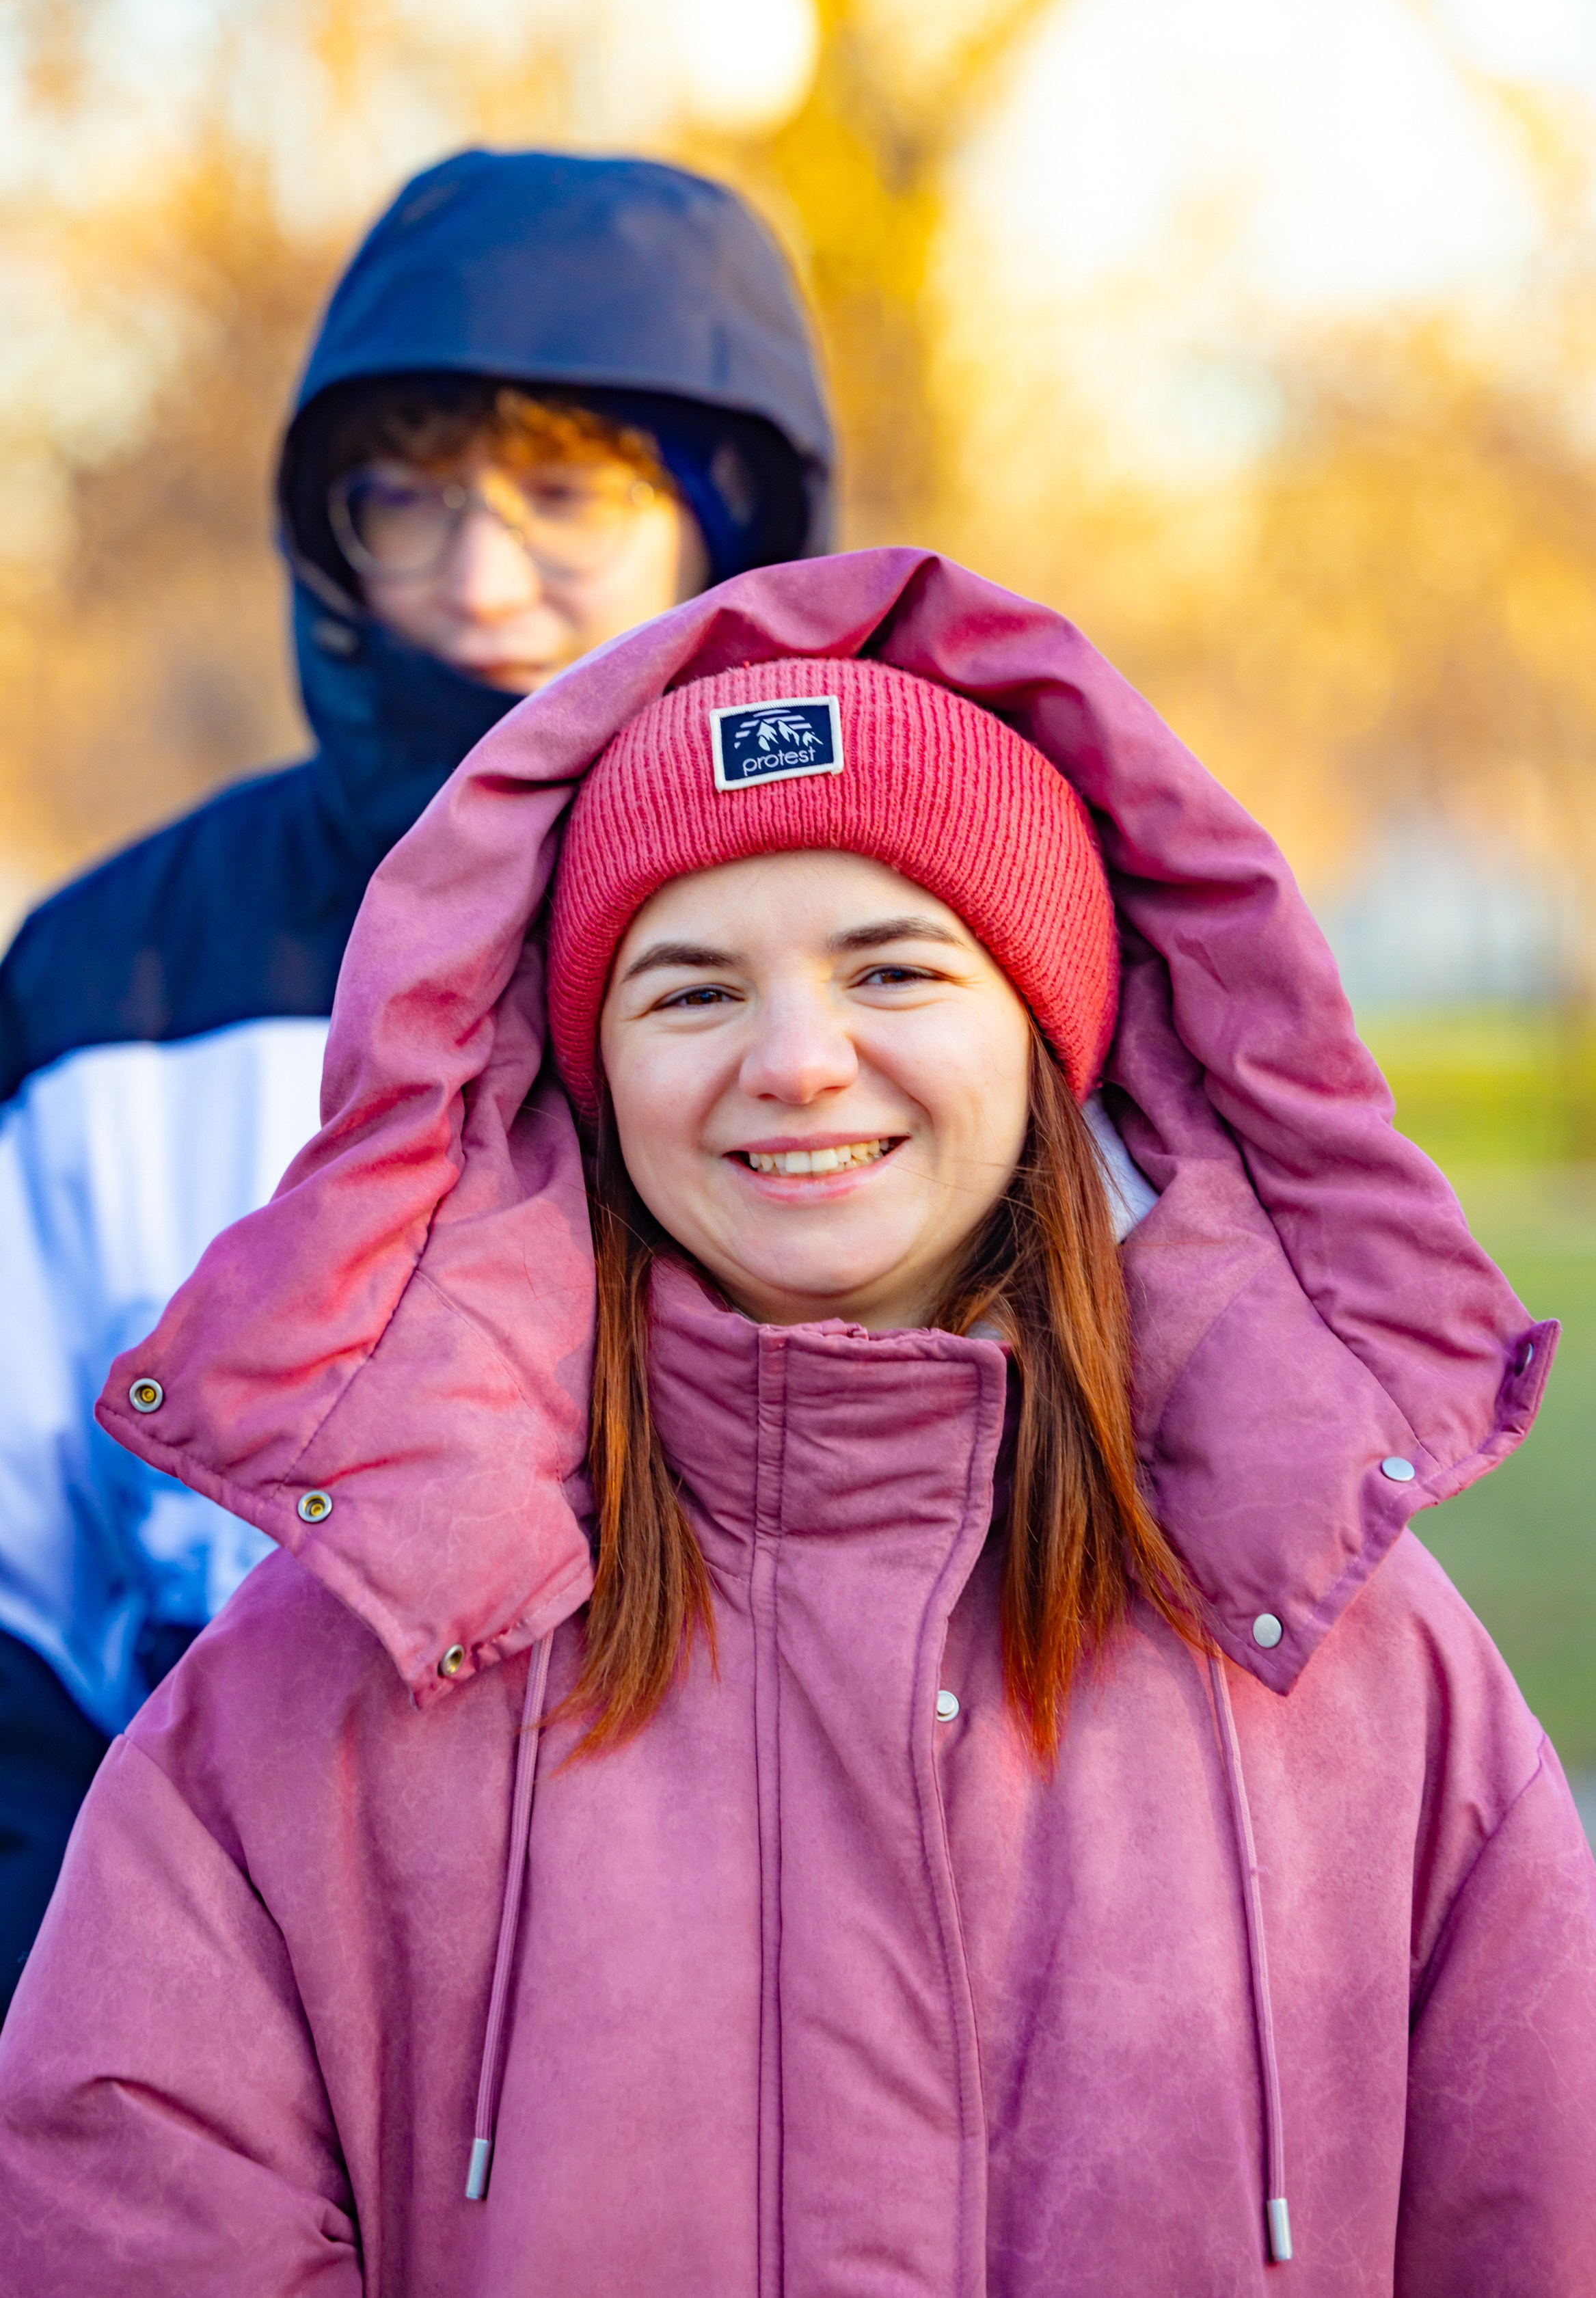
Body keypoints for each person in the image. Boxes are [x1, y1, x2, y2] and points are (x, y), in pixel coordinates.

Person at [2, 546, 1593, 2295]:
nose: (798, 1060)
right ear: (592, 1071)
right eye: (691, 989)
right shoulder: (332, 1678)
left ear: (1044, 1032)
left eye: (894, 971)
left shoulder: (1347, 1663)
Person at [0, 145, 833, 2008]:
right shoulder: (112, 983)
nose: (475, 579)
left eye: (560, 497)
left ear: (727, 523)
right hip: (219, 2012)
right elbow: (14, 1629)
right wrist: (101, 2033)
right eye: (406, 500)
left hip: (761, 2026)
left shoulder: (884, 955)